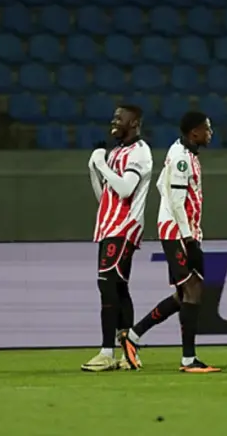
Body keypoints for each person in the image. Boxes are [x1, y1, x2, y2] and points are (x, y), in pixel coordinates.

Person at [119, 112, 220, 373]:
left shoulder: (181, 151)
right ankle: (188, 359)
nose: (210, 133)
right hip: (177, 233)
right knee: (192, 290)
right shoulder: (182, 159)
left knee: (182, 294)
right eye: (207, 129)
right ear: (194, 132)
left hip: (182, 230)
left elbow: (160, 185)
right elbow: (176, 201)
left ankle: (133, 335)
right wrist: (188, 238)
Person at [82, 105, 153, 372]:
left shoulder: (140, 152)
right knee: (119, 289)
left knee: (108, 286)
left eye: (119, 118)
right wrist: (94, 169)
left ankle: (106, 353)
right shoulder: (115, 153)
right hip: (108, 226)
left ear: (133, 122)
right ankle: (129, 354)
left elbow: (125, 189)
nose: (113, 121)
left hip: (124, 227)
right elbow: (105, 197)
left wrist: (102, 164)